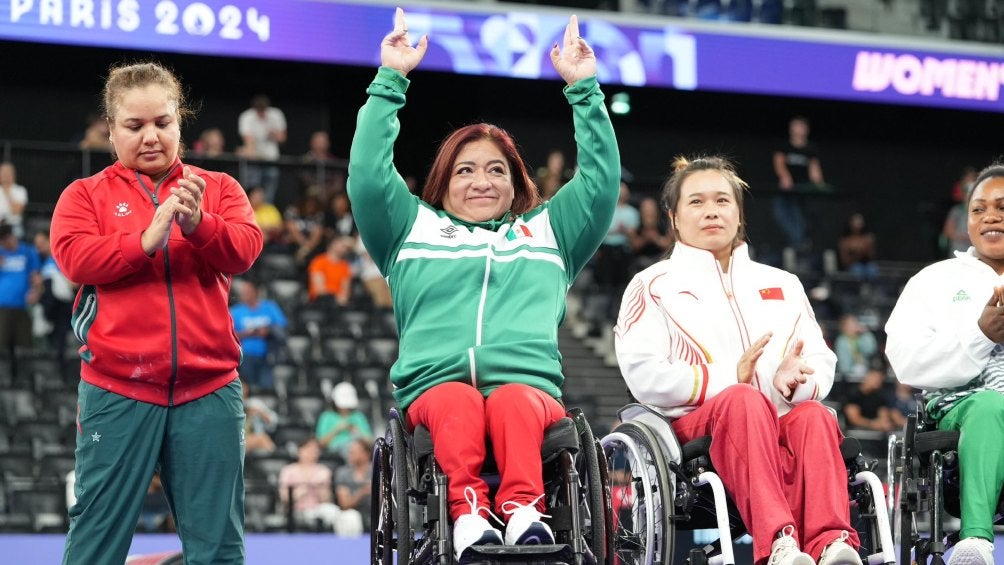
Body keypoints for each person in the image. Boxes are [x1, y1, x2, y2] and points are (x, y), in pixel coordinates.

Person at [346, 9, 619, 560]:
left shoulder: (549, 232)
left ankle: (524, 511)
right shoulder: (410, 228)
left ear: (517, 183)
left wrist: (585, 90)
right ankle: (468, 514)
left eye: (497, 170)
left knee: (513, 400)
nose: (482, 181)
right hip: (436, 390)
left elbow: (599, 183)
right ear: (442, 181)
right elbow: (369, 177)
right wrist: (390, 80)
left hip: (529, 390)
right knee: (459, 401)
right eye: (465, 169)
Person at [51, 61, 263, 564]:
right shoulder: (85, 195)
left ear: (179, 123)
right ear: (111, 130)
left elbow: (245, 249)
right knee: (95, 543)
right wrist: (145, 240)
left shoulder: (217, 188)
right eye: (135, 125)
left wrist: (199, 224)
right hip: (116, 389)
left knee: (219, 547)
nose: (151, 136)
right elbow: (74, 257)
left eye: (162, 123)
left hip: (209, 390)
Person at [614, 156, 861, 565]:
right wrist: (732, 377)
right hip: (697, 432)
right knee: (742, 400)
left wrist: (796, 381)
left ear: (739, 213)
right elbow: (644, 374)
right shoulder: (653, 285)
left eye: (722, 200)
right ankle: (779, 543)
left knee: (815, 415)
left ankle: (832, 543)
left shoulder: (782, 283)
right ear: (674, 218)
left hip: (778, 422)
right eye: (696, 202)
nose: (711, 210)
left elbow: (820, 357)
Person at [885, 162, 1004, 565]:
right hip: (963, 409)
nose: (990, 217)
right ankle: (976, 542)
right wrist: (981, 335)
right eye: (979, 209)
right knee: (990, 406)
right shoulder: (935, 280)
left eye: (1002, 207)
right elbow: (906, 362)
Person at [277, 438, 363, 536]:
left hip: (318, 509)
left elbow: (326, 500)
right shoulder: (288, 470)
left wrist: (322, 487)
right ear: (299, 451)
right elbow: (285, 498)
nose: (312, 453)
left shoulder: (323, 471)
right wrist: (306, 487)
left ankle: (348, 541)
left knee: (351, 515)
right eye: (308, 449)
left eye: (315, 450)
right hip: (296, 511)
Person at [772, 116, 824, 253]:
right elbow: (779, 163)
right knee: (780, 213)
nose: (798, 130)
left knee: (799, 217)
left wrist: (819, 184)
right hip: (786, 189)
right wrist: (785, 177)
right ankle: (795, 244)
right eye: (795, 126)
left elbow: (814, 170)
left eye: (801, 127)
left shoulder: (810, 149)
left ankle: (799, 245)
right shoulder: (785, 146)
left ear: (806, 130)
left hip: (802, 190)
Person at [230, 279, 288, 390]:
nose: (244, 294)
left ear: (256, 291)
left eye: (248, 291)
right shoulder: (236, 311)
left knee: (267, 389)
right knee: (249, 388)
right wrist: (248, 333)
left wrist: (268, 331)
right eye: (243, 291)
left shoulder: (270, 307)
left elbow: (282, 327)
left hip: (268, 355)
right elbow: (229, 335)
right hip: (245, 357)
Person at [0, 221, 42, 361]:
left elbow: (36, 277)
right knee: (2, 347)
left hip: (23, 306)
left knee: (23, 348)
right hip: (2, 306)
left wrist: (36, 292)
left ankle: (24, 375)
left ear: (10, 237)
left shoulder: (28, 251)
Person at [238, 94, 287, 203]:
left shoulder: (276, 114)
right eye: (259, 110)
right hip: (254, 161)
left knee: (269, 193)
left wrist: (274, 134)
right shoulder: (247, 117)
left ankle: (266, 211)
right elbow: (248, 139)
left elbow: (282, 137)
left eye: (264, 110)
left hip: (271, 160)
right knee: (252, 190)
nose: (262, 113)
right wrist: (249, 150)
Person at [315, 381, 372, 459]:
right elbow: (321, 443)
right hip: (334, 451)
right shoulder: (327, 416)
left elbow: (370, 442)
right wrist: (337, 430)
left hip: (357, 449)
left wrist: (357, 433)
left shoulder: (358, 416)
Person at [335, 437, 373, 532]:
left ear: (366, 454)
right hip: (353, 513)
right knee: (350, 517)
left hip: (375, 511)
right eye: (350, 451)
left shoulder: (378, 471)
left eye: (354, 452)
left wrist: (377, 490)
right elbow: (344, 504)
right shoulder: (343, 473)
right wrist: (362, 492)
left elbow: (385, 502)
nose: (350, 454)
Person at [842, 365, 896, 432]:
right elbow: (854, 419)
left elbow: (883, 415)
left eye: (880, 378)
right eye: (876, 377)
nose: (878, 381)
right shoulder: (853, 394)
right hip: (856, 432)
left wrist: (884, 423)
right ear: (868, 376)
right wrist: (873, 424)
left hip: (876, 433)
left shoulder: (879, 396)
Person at [307, 236, 354, 304]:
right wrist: (335, 298)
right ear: (333, 244)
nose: (345, 249)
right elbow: (319, 289)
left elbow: (345, 290)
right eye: (342, 245)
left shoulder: (345, 266)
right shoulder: (319, 261)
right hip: (320, 301)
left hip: (339, 302)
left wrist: (341, 298)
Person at [943, 166, 977, 257]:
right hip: (958, 251)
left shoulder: (982, 211)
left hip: (976, 252)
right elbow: (948, 231)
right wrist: (963, 236)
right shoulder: (956, 211)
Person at [833, 313, 879, 380]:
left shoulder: (862, 338)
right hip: (848, 376)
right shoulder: (841, 341)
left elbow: (871, 350)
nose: (853, 326)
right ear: (844, 327)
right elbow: (843, 364)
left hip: (866, 373)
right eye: (850, 325)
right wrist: (852, 370)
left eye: (854, 323)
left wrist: (865, 332)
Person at [837, 213, 878, 279]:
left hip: (867, 264)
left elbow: (872, 256)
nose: (858, 225)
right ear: (851, 223)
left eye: (860, 222)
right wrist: (856, 254)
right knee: (857, 269)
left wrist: (869, 247)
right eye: (856, 222)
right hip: (853, 265)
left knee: (872, 269)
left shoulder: (867, 238)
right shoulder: (845, 241)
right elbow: (845, 261)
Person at [242, 381, 277, 454]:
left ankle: (274, 457)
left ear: (246, 388)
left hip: (254, 436)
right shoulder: (230, 405)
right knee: (262, 439)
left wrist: (259, 412)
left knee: (263, 438)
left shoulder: (254, 403)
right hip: (238, 439)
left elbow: (273, 421)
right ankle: (275, 457)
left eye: (243, 386)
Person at [0, 162, 28, 238]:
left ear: (13, 175)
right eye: (3, 173)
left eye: (7, 173)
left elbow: (16, 211)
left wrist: (6, 191)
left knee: (16, 232)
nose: (5, 175)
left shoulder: (20, 190)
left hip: (14, 226)